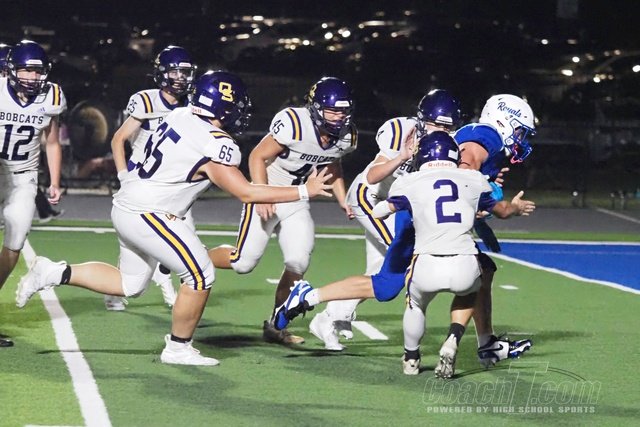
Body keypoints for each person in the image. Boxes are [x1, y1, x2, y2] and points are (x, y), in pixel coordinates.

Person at [15, 70, 334, 366]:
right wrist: (304, 191)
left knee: (129, 284)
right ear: (222, 106)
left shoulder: (180, 114)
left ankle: (53, 272)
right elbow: (247, 192)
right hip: (148, 212)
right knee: (200, 275)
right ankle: (178, 347)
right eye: (236, 105)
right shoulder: (216, 143)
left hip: (130, 204)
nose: (240, 111)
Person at [274, 94, 537, 368]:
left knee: (387, 284)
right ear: (503, 121)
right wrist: (481, 196)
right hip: (394, 203)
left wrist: (482, 194)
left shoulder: (468, 138)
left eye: (448, 126)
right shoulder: (484, 137)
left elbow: (461, 178)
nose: (444, 131)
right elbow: (458, 172)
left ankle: (309, 297)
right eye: (519, 131)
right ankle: (457, 347)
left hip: (411, 204)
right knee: (456, 271)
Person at [370, 131, 534, 376]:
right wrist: (516, 207)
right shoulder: (474, 178)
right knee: (470, 292)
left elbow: (379, 212)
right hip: (464, 263)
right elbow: (501, 210)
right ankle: (453, 338)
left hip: (426, 263)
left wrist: (404, 205)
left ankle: (411, 358)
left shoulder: (409, 181)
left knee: (415, 304)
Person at [209, 77, 357, 345]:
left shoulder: (346, 136)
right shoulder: (294, 123)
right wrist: (261, 194)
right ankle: (195, 259)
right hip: (268, 189)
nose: (339, 117)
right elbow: (257, 156)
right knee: (243, 263)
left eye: (343, 111)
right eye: (333, 110)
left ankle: (276, 326)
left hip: (298, 196)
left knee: (298, 262)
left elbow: (332, 163)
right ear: (315, 108)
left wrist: (342, 199)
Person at [313, 89, 461, 350]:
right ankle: (325, 308)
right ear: (421, 119)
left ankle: (330, 316)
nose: (441, 131)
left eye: (447, 127)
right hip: (370, 197)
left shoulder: (449, 144)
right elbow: (373, 176)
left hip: (395, 206)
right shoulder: (400, 131)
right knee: (402, 259)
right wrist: (402, 156)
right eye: (436, 124)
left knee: (381, 270)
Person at [105, 45, 197, 311]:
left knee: (184, 233)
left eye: (185, 72)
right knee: (136, 241)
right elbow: (119, 139)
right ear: (161, 73)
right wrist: (123, 175)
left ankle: (168, 280)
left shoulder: (192, 105)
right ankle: (116, 289)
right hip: (143, 178)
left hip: (174, 182)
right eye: (175, 72)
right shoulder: (147, 100)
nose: (180, 78)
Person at [0, 40, 67, 348]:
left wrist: (54, 181)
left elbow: (51, 141)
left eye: (37, 71)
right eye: (26, 70)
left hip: (23, 177)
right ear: (11, 70)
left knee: (14, 242)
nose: (32, 77)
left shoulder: (52, 96)